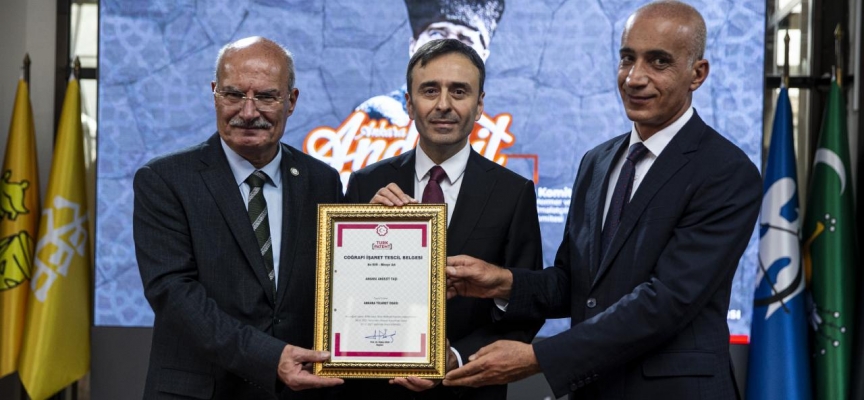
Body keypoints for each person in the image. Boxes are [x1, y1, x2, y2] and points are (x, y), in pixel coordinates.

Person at [442, 2, 762, 399]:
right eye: (627, 58)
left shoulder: (726, 171)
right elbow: (577, 285)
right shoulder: (597, 162)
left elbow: (666, 302)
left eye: (658, 62)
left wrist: (540, 358)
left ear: (697, 74)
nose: (634, 78)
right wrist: (502, 283)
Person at [133, 36, 344, 399]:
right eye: (233, 95)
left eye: (266, 96)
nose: (248, 112)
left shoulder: (322, 181)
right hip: (201, 391)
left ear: (291, 101)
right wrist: (269, 357)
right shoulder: (165, 180)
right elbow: (174, 295)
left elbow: (340, 284)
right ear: (214, 94)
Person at [341, 38, 543, 400]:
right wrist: (362, 235)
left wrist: (457, 358)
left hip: (468, 391)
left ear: (479, 105)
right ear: (409, 103)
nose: (444, 105)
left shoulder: (514, 193)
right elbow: (340, 301)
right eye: (430, 90)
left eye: (459, 91)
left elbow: (526, 308)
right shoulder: (365, 184)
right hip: (375, 389)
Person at [356, 0, 505, 127]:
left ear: (482, 57)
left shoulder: (488, 131)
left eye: (465, 39)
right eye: (437, 33)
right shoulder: (381, 113)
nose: (449, 47)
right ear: (413, 47)